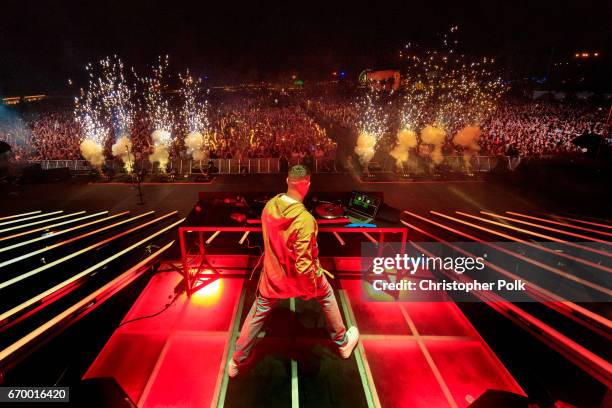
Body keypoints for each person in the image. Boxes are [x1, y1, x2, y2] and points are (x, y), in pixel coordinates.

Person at [228, 165, 359, 377]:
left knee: (258, 312)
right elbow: (304, 265)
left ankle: (236, 361)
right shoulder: (305, 220)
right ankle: (343, 343)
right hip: (300, 281)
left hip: (273, 279)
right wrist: (309, 290)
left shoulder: (270, 207)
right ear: (307, 184)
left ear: (287, 181)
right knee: (326, 294)